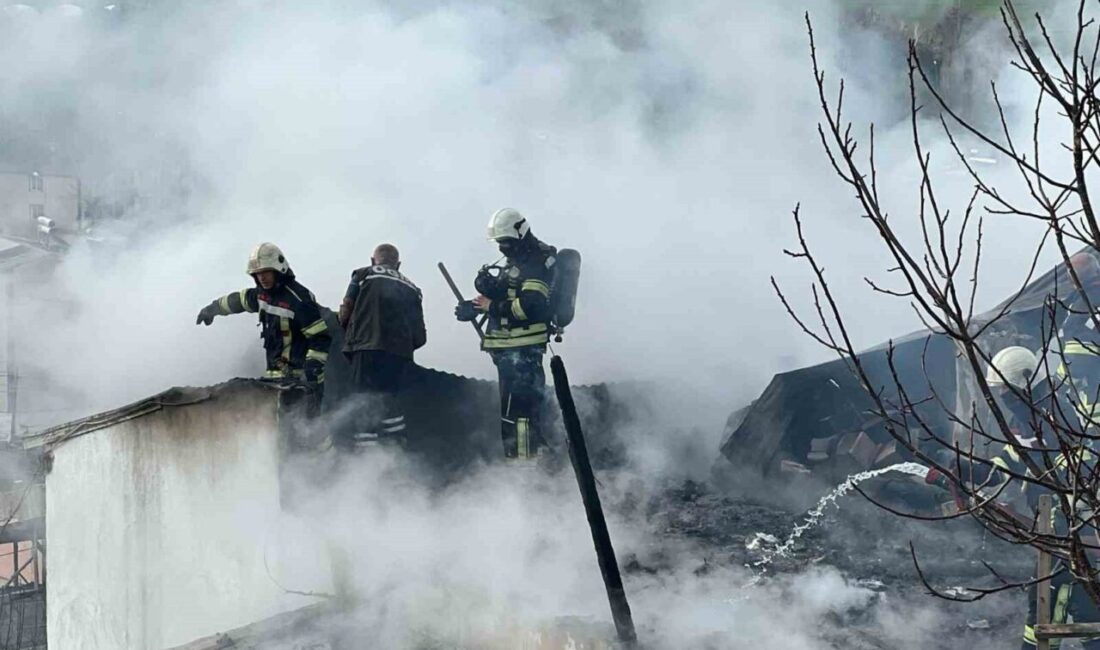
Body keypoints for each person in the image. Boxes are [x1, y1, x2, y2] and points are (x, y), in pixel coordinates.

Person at [922, 346, 1100, 649]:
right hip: (1057, 534)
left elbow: (1077, 474)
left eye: (1005, 390)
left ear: (1024, 385)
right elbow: (1004, 467)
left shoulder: (1062, 417)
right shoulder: (1031, 423)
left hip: (1076, 534)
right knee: (1060, 612)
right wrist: (959, 468)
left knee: (1068, 612)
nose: (1002, 397)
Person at [455, 208, 556, 460]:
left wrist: (491, 306)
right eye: (499, 242)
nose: (502, 247)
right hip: (511, 350)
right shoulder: (519, 259)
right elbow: (509, 294)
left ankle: (524, 466)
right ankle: (533, 461)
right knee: (517, 412)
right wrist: (475, 306)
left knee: (519, 415)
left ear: (520, 234)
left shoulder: (537, 262)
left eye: (505, 241)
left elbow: (530, 306)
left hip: (523, 350)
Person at [195, 242, 331, 397]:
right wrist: (212, 309)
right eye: (257, 273)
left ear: (278, 269)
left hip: (300, 383)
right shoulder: (262, 295)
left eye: (266, 272)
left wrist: (312, 372)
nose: (262, 278)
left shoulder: (299, 299)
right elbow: (238, 301)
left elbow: (320, 339)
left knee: (298, 414)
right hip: (275, 379)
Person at [338, 243, 425, 449]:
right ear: (398, 265)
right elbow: (420, 336)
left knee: (362, 402)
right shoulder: (413, 289)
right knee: (389, 402)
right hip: (399, 355)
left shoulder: (363, 274)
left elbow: (346, 310)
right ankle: (396, 450)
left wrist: (347, 329)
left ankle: (366, 455)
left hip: (365, 349)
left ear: (372, 261)